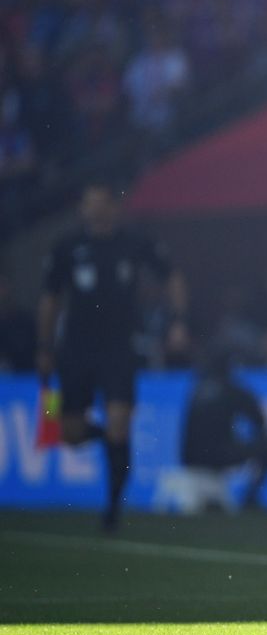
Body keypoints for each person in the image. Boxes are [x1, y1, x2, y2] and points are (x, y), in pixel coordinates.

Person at [37, 180, 190, 531]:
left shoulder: (134, 243)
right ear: (82, 208)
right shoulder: (66, 247)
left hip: (120, 347)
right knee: (65, 431)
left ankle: (113, 509)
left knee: (120, 421)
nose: (96, 209)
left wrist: (178, 321)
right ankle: (110, 446)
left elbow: (172, 276)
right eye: (89, 202)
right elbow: (50, 298)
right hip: (73, 348)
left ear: (113, 206)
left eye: (102, 202)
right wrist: (44, 346)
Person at [180, 351, 267, 511]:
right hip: (218, 456)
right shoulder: (233, 390)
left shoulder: (198, 388)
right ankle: (250, 498)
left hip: (189, 459)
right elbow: (260, 421)